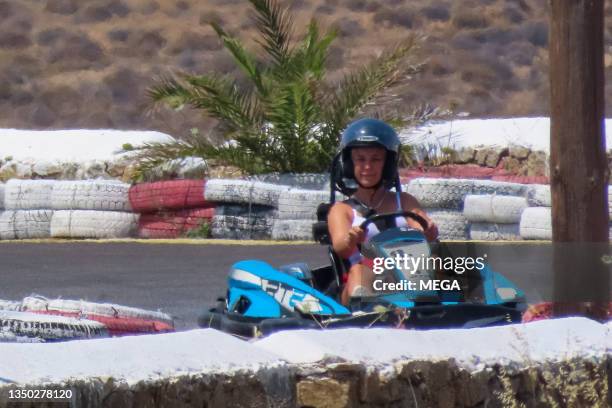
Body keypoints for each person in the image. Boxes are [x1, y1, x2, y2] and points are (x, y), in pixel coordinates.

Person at [327, 118, 438, 305]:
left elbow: (422, 223)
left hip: (408, 273)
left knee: (441, 262)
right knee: (360, 272)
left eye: (376, 159)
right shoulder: (341, 210)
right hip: (365, 277)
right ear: (348, 164)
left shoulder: (404, 201)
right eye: (360, 159)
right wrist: (351, 239)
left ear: (387, 165)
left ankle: (470, 304)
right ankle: (365, 309)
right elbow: (340, 248)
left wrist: (427, 231)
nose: (367, 167)